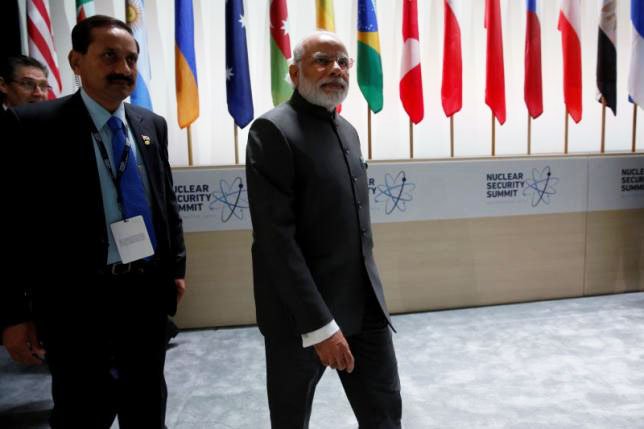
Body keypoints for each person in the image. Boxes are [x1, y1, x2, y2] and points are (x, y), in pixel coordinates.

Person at [1, 15, 186, 428]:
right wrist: (14, 315)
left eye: (131, 59)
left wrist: (175, 268)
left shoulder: (148, 125)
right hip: (75, 305)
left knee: (147, 409)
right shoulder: (34, 127)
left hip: (144, 297)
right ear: (76, 61)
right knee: (83, 411)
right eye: (109, 56)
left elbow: (165, 202)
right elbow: (10, 228)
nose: (123, 69)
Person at [246, 32, 402, 429]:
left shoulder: (347, 130)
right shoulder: (272, 131)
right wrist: (320, 326)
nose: (336, 69)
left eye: (343, 62)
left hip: (365, 306)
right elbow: (276, 242)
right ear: (295, 72)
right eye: (322, 60)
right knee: (291, 419)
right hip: (300, 318)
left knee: (385, 414)